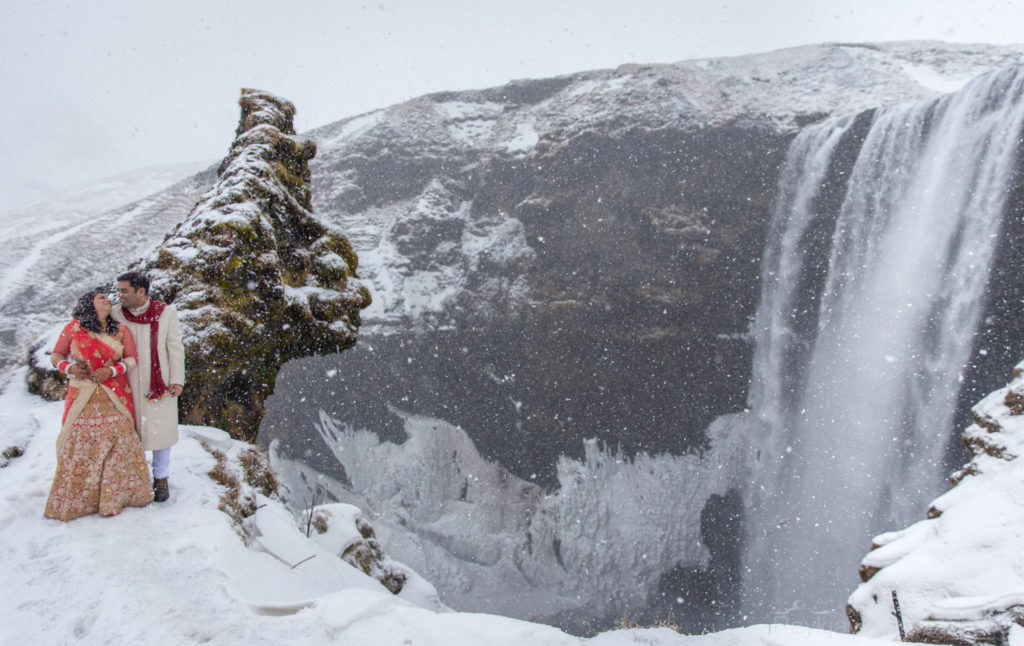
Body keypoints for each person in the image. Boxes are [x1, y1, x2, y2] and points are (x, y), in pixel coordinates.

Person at [44, 289, 154, 520]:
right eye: (100, 298)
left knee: (120, 441)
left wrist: (111, 371)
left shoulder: (120, 330)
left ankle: (116, 496)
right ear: (89, 305)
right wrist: (70, 368)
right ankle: (80, 500)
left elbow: (132, 359)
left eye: (107, 297)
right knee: (81, 444)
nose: (107, 300)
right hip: (83, 393)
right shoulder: (74, 329)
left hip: (114, 393)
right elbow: (56, 356)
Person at [112, 271, 185, 503]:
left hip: (160, 382)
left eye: (124, 290)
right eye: (119, 290)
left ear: (140, 291)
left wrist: (177, 379)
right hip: (127, 381)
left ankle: (161, 477)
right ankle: (138, 475)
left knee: (161, 431)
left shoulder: (166, 313)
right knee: (132, 431)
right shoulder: (115, 313)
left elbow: (175, 346)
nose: (120, 295)